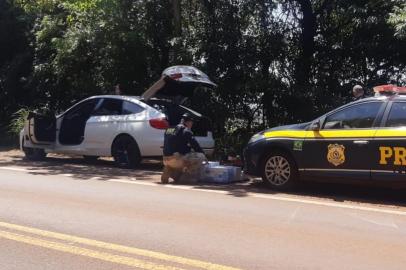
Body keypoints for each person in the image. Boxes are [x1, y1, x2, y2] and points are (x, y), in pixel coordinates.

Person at [161, 113, 207, 184]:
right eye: (191, 123)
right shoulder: (186, 131)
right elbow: (196, 146)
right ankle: (186, 178)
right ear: (188, 122)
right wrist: (205, 157)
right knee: (201, 156)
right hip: (176, 160)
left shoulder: (169, 129)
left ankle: (169, 169)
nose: (191, 124)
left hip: (165, 160)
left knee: (180, 168)